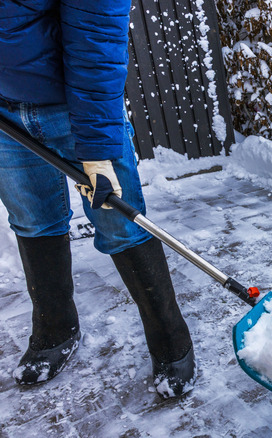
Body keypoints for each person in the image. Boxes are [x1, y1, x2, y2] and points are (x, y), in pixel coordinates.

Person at [0, 1, 195, 397]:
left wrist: (96, 149)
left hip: (78, 107)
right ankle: (56, 329)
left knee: (120, 222)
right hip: (3, 114)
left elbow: (96, 36)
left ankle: (170, 336)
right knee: (32, 219)